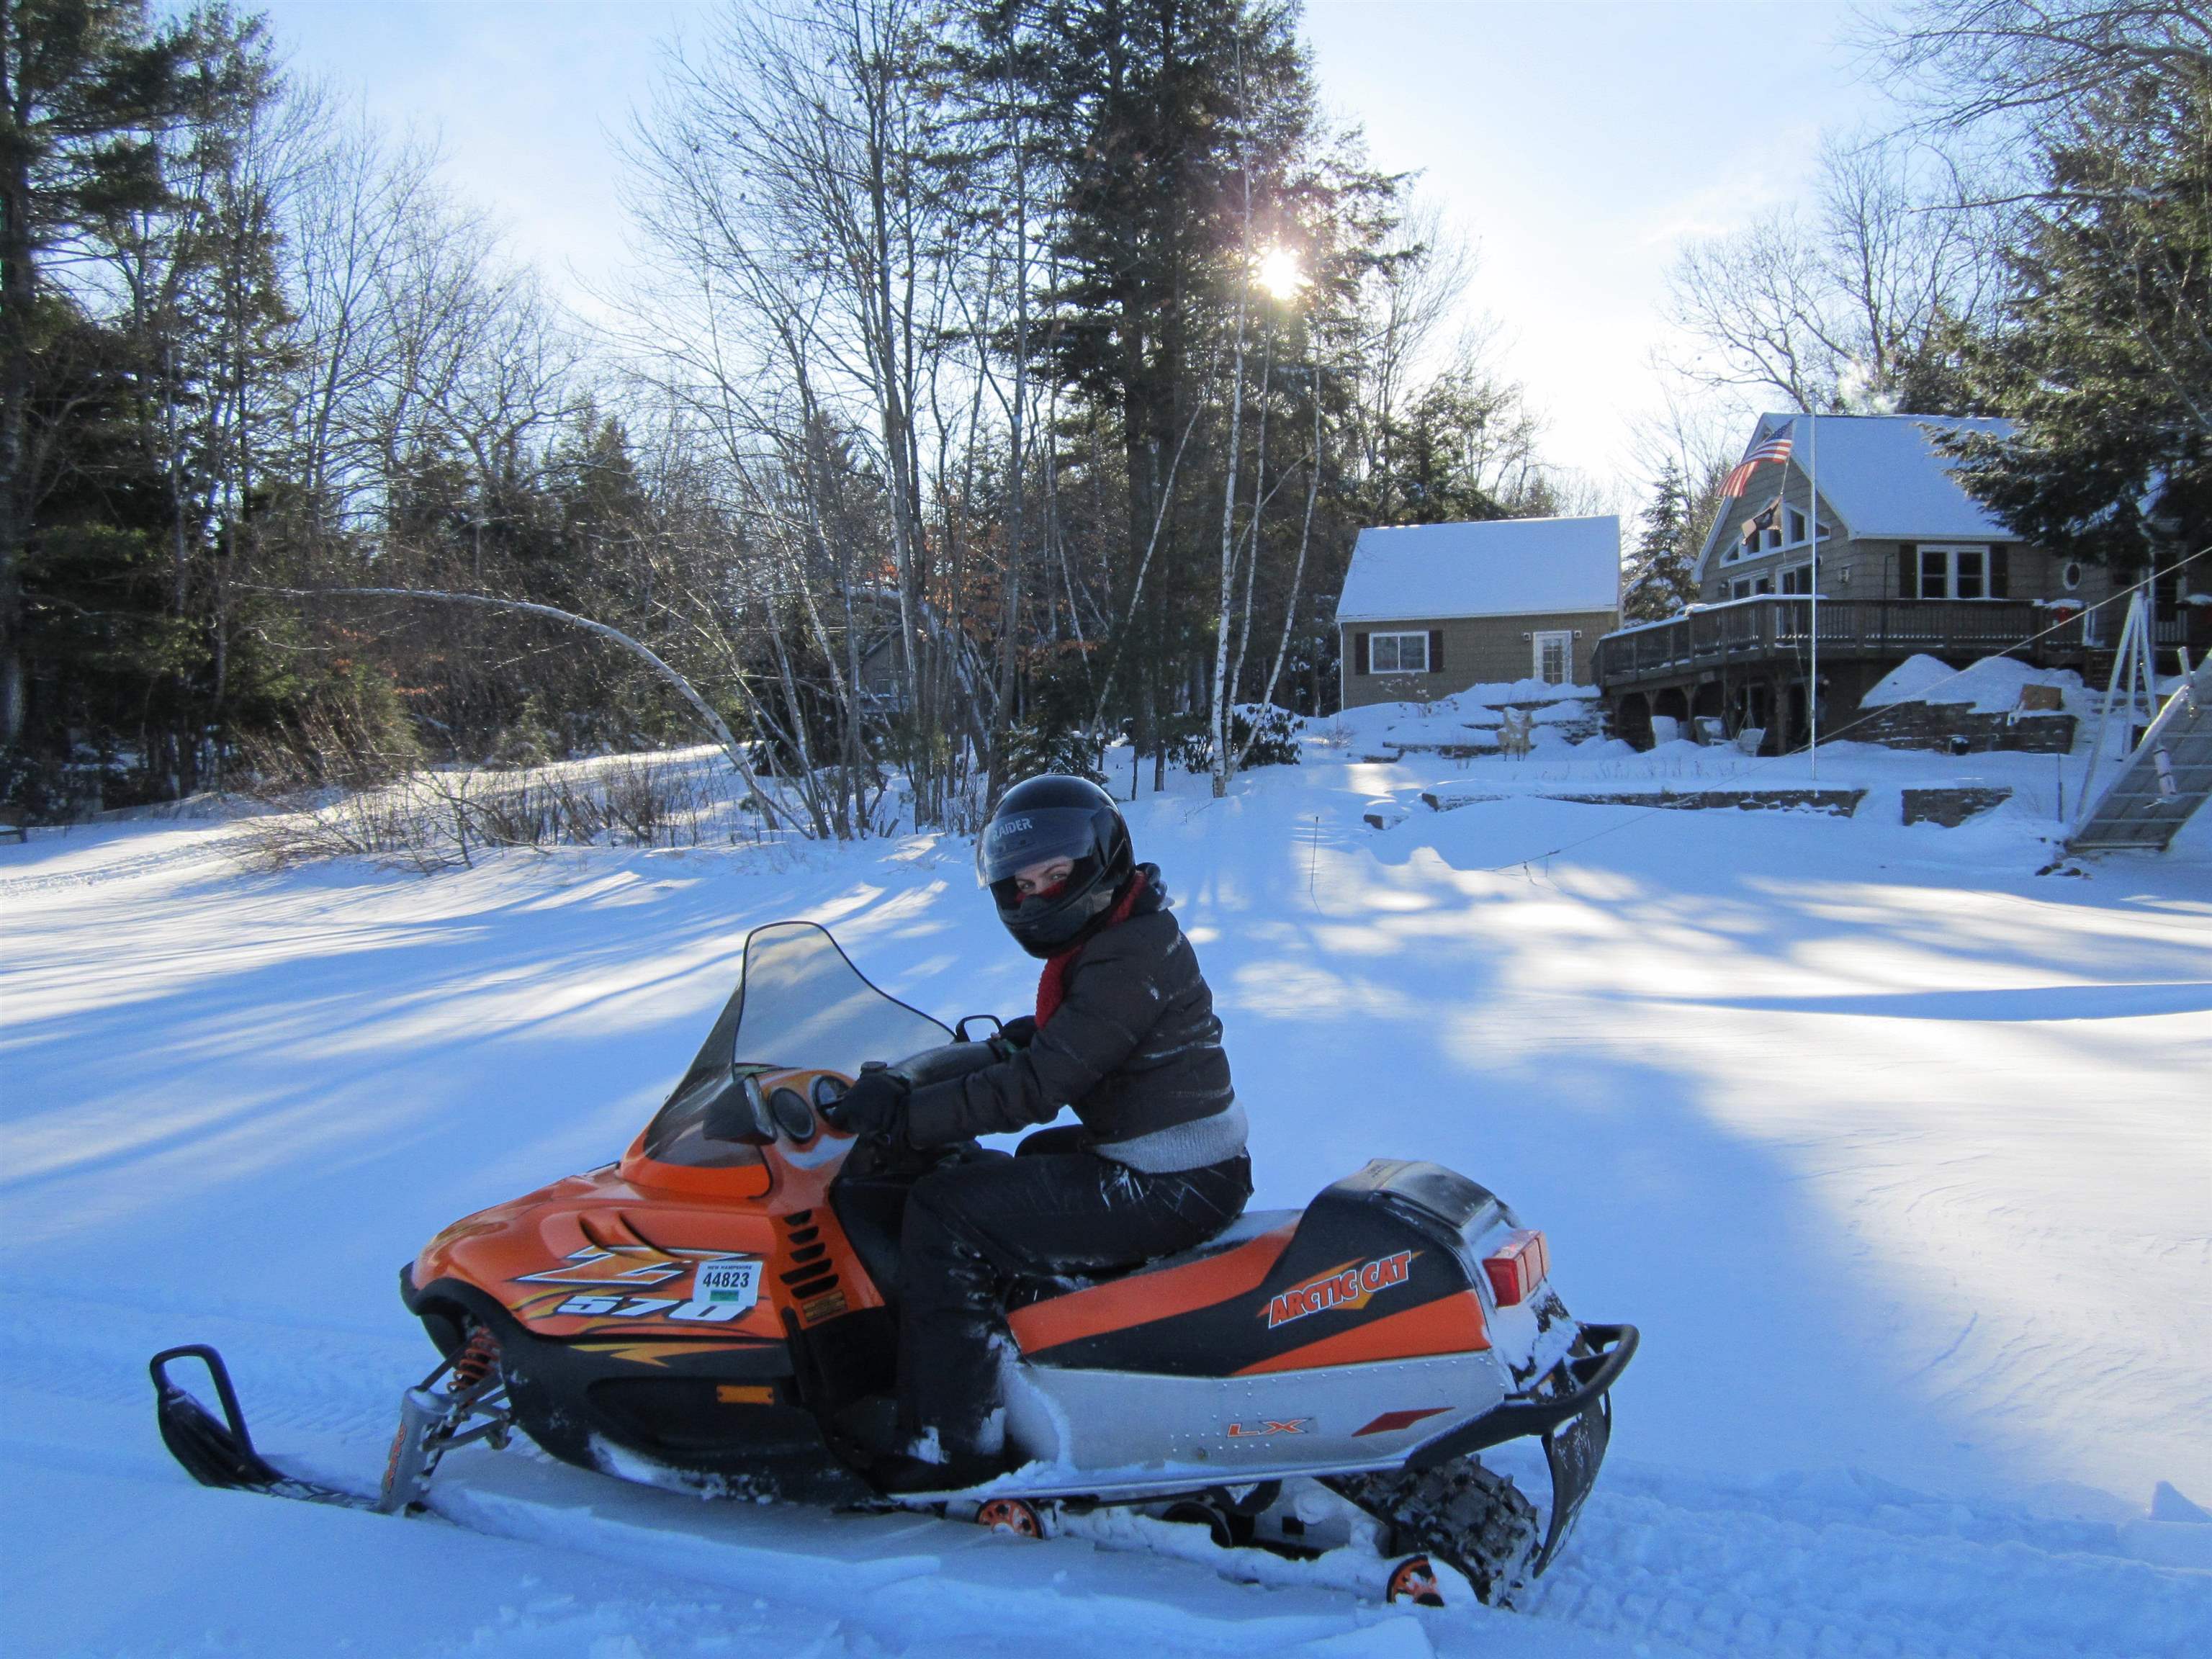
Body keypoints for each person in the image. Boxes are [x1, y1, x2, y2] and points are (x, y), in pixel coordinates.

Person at [832, 773, 1250, 1490]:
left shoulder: (1126, 956)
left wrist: (908, 1116)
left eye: (1057, 875)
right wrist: (977, 1055)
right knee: (1024, 1167)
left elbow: (1040, 1086)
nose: (1039, 896)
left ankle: (951, 1442)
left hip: (1170, 1182)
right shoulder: (1128, 933)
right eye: (1022, 884)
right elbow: (1070, 1040)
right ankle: (1053, 1359)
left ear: (1102, 863)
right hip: (1182, 1163)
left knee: (945, 1213)